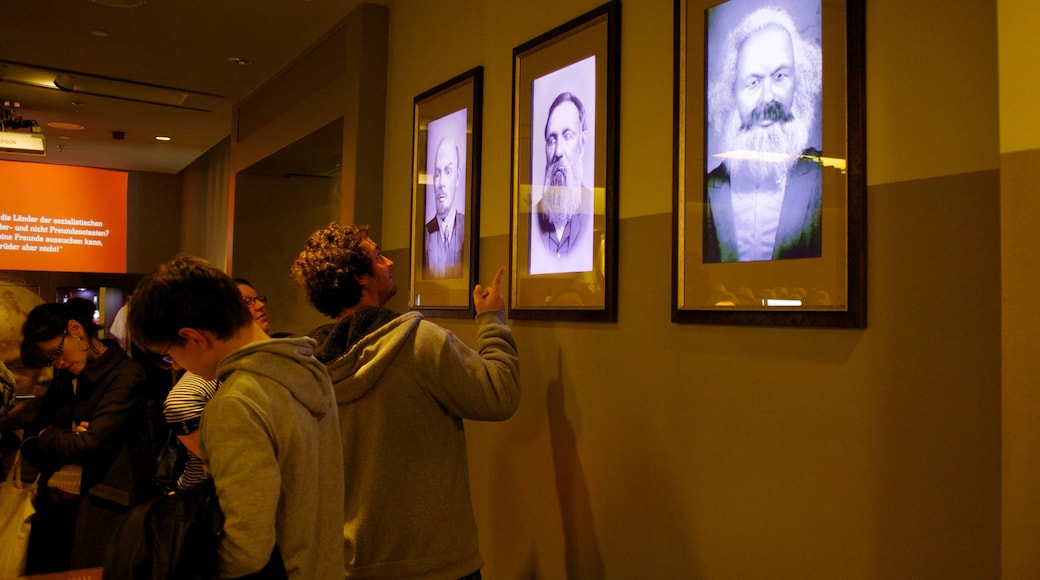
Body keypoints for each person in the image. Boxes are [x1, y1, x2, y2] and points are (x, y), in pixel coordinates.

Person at [290, 223, 520, 579]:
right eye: (378, 257)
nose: (389, 263)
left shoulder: (308, 366)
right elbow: (498, 395)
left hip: (348, 562)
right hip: (436, 563)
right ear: (359, 277)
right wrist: (493, 320)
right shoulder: (418, 342)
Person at [127, 254, 344, 579]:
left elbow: (247, 549)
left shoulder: (236, 402)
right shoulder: (309, 370)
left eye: (170, 354)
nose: (177, 364)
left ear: (194, 338)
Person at [18, 298, 158, 574]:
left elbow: (89, 444)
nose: (58, 363)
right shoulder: (66, 379)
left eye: (57, 352)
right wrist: (62, 437)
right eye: (51, 358)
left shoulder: (126, 376)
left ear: (76, 330)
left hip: (104, 508)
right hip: (55, 509)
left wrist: (51, 437)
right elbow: (30, 441)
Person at [704, 5, 824, 263]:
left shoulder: (825, 181)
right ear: (732, 94)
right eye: (754, 82)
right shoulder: (705, 192)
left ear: (797, 83)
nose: (768, 96)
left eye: (780, 76)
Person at [163, 277, 279, 491]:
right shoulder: (214, 368)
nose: (261, 305)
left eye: (258, 299)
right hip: (210, 498)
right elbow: (180, 403)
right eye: (247, 302)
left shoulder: (261, 359)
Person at [533, 91, 595, 274]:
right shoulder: (532, 219)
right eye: (552, 140)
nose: (558, 151)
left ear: (582, 143)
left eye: (567, 136)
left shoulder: (595, 210)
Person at [424, 135, 466, 279]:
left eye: (448, 171)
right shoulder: (425, 234)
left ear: (458, 177)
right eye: (437, 173)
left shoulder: (467, 228)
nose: (441, 182)